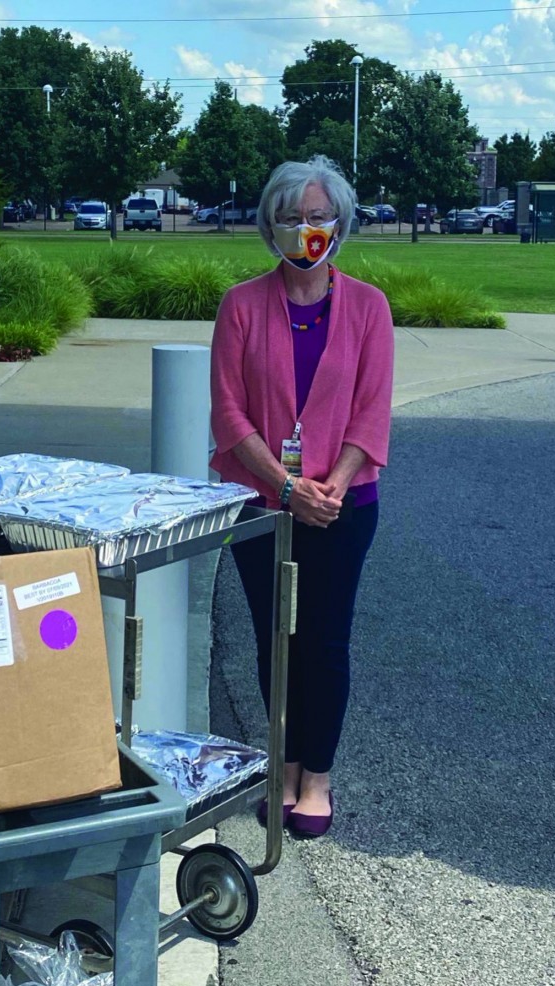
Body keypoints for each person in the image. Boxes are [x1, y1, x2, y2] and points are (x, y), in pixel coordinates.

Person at [210, 156, 394, 840]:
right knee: (274, 641)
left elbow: (371, 413)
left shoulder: (370, 309)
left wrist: (334, 484)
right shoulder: (241, 306)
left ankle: (317, 775)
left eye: (318, 217)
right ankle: (280, 767)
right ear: (270, 225)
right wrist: (285, 486)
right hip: (261, 503)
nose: (306, 229)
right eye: (291, 217)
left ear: (340, 224)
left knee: (326, 641)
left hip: (346, 504)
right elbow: (229, 414)